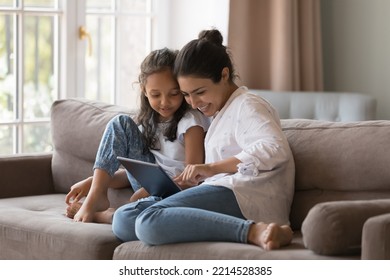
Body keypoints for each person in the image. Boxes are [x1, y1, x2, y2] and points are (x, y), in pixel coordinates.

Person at [111, 29, 295, 251]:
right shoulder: (218, 114)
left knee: (148, 222)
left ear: (224, 75)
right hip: (216, 189)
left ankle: (255, 231)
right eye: (187, 95)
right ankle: (208, 226)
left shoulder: (248, 105)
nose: (193, 102)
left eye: (199, 92)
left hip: (244, 193)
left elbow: (274, 148)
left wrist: (210, 168)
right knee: (124, 219)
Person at [65, 47, 210, 223]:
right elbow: (136, 173)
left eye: (174, 93)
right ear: (144, 90)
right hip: (150, 186)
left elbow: (194, 176)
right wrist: (94, 181)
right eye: (156, 95)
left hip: (176, 191)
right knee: (121, 123)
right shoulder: (147, 122)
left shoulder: (190, 122)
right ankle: (98, 194)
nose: (165, 102)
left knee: (136, 215)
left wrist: (153, 190)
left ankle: (101, 215)